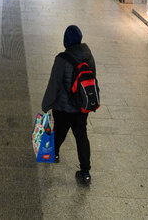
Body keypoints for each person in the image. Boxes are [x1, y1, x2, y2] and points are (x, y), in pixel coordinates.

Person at [41, 24, 96, 185]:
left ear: (66, 40)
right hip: (81, 107)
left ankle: (54, 154)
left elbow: (54, 84)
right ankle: (85, 172)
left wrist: (46, 105)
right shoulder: (89, 56)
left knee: (59, 131)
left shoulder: (61, 59)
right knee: (81, 137)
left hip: (63, 108)